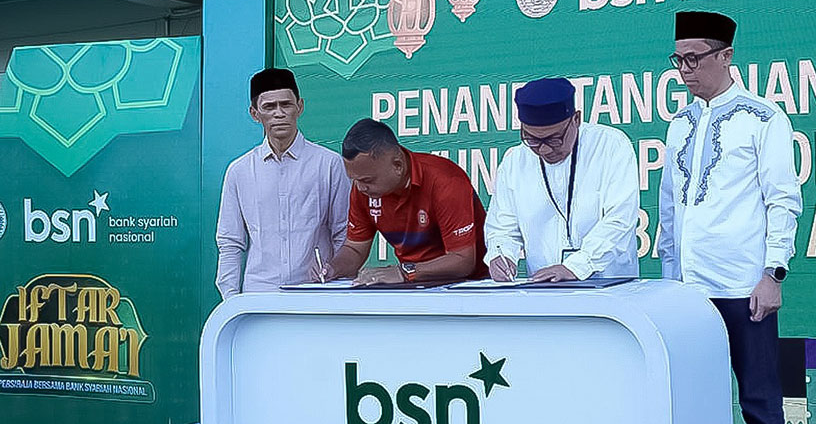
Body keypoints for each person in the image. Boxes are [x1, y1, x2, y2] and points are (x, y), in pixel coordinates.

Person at [657, 11, 803, 424]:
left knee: (760, 401)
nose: (685, 70)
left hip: (745, 289)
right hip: (688, 294)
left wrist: (773, 273)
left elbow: (782, 199)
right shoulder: (679, 124)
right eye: (678, 60)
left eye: (695, 59)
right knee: (692, 401)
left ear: (726, 56)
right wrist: (668, 280)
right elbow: (669, 208)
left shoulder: (763, 118)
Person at [484, 78, 639, 282]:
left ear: (576, 119)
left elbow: (620, 219)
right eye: (532, 140)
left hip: (610, 285)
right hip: (544, 288)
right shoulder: (514, 161)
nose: (544, 149)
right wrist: (501, 255)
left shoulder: (611, 146)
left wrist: (577, 266)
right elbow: (502, 227)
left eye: (554, 139)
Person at [215, 68, 350, 298]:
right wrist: (230, 299)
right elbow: (230, 242)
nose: (279, 113)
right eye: (269, 107)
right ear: (254, 113)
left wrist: (340, 289)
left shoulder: (328, 164)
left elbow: (344, 233)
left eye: (286, 105)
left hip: (317, 293)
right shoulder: (239, 171)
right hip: (259, 295)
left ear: (300, 107)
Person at [317, 118, 488, 285]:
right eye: (355, 180)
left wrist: (405, 272)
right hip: (414, 286)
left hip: (473, 288)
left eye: (367, 180)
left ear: (398, 165)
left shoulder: (445, 181)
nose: (360, 188)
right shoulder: (363, 190)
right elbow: (355, 249)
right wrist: (333, 269)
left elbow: (463, 261)